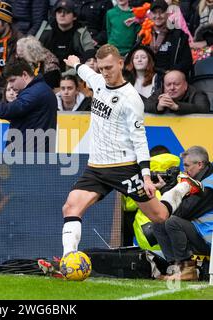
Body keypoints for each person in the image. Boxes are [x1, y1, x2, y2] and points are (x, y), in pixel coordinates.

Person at [60, 44, 203, 258]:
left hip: (124, 168)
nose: (105, 73)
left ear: (120, 63)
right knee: (70, 207)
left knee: (160, 216)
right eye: (101, 69)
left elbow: (139, 139)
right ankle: (68, 261)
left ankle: (182, 188)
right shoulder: (98, 81)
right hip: (96, 168)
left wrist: (146, 176)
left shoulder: (131, 98)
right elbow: (85, 71)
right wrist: (75, 63)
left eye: (109, 67)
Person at [0, 58, 57, 153]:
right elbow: (24, 118)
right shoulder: (41, 89)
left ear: (24, 75)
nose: (11, 85)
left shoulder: (34, 92)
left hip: (30, 157)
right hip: (33, 154)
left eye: (12, 80)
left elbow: (5, 111)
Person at [153, 145, 213, 280]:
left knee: (172, 222)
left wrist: (167, 190)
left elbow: (183, 212)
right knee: (159, 223)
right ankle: (174, 269)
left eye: (187, 166)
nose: (184, 170)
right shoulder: (197, 181)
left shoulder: (208, 185)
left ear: (200, 164)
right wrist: (167, 188)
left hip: (209, 239)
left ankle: (187, 270)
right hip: (200, 233)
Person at [38, 0, 95, 71]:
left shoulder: (81, 32)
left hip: (75, 72)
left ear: (74, 16)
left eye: (67, 12)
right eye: (59, 12)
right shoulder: (46, 31)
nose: (62, 15)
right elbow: (35, 52)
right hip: (51, 72)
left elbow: (90, 52)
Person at [148, 0, 193, 77]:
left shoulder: (179, 35)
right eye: (154, 12)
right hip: (148, 77)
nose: (158, 16)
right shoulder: (144, 34)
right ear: (150, 15)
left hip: (171, 78)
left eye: (161, 12)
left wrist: (171, 72)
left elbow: (187, 62)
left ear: (168, 14)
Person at [144, 69, 210, 113]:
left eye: (176, 84)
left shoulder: (197, 93)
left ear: (185, 85)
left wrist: (177, 107)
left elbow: (203, 109)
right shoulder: (161, 91)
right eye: (168, 85)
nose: (172, 88)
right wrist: (157, 107)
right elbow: (144, 105)